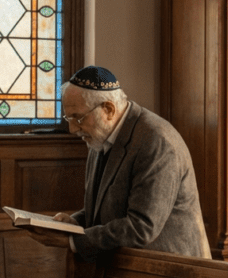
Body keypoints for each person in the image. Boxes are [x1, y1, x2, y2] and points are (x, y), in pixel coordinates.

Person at [25, 66, 211, 261]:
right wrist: (74, 222)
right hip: (128, 267)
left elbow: (141, 228)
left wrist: (74, 241)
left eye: (78, 117)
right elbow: (106, 209)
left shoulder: (156, 141)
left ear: (108, 109)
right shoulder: (99, 136)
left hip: (170, 271)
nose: (72, 129)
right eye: (68, 118)